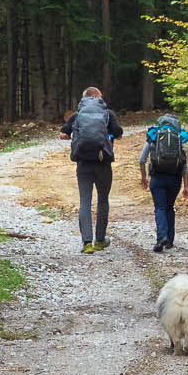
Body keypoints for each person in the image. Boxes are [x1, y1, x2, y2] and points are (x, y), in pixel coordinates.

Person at [61, 86, 125, 253]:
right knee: (103, 200)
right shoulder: (108, 114)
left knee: (85, 201)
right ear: (96, 96)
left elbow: (63, 134)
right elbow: (119, 133)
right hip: (103, 162)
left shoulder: (77, 115)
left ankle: (87, 243)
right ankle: (100, 240)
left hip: (83, 163)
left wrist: (74, 135)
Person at [138, 111, 188, 252]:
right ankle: (169, 240)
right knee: (169, 207)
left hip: (157, 177)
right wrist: (186, 185)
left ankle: (161, 237)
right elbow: (184, 163)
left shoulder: (154, 133)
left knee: (160, 208)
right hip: (175, 178)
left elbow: (142, 159)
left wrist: (143, 177)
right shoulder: (179, 136)